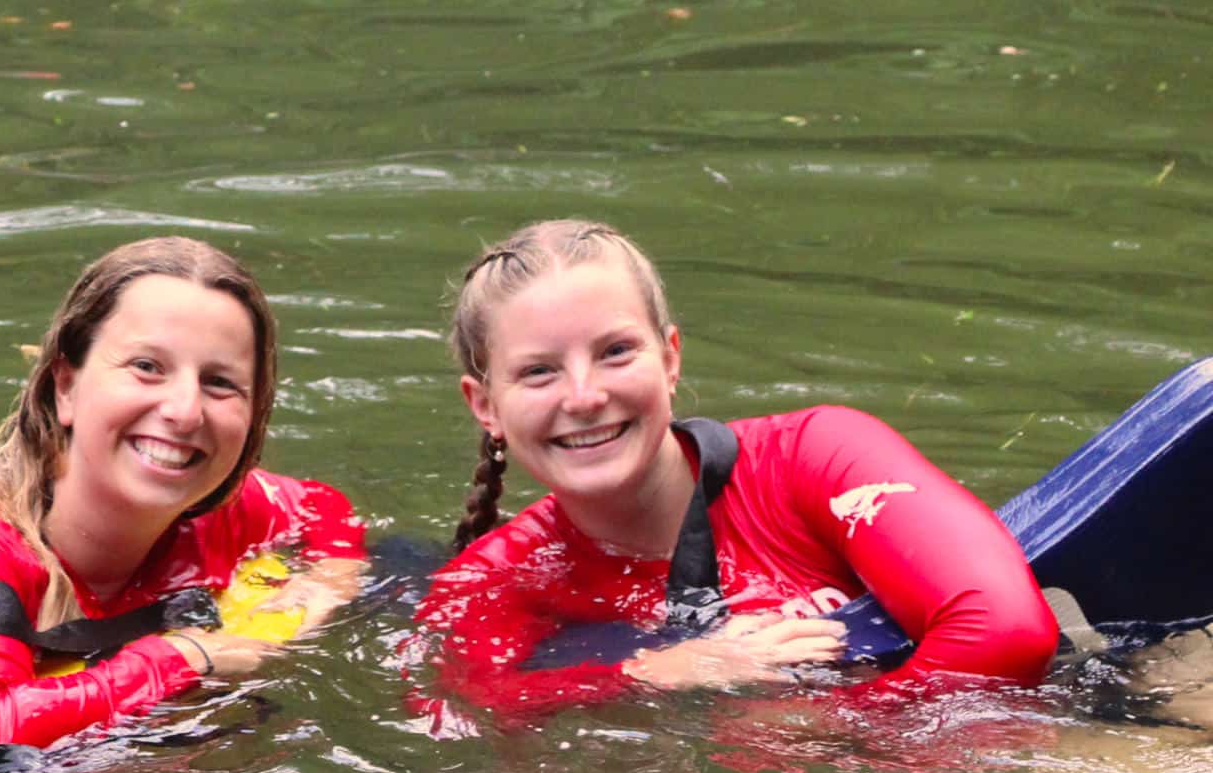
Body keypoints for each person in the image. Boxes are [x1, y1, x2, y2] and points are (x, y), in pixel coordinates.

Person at [413, 219, 1058, 719]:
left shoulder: (816, 458)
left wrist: (818, 731)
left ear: (670, 359)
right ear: (486, 405)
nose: (582, 396)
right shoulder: (489, 584)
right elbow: (469, 710)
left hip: (1088, 722)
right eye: (538, 371)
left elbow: (1008, 633)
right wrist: (654, 674)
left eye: (615, 352)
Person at [0, 237, 365, 751]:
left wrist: (320, 589)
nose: (185, 410)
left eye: (220, 383)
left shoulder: (223, 514)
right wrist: (187, 656)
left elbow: (324, 508)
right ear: (64, 386)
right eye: (147, 367)